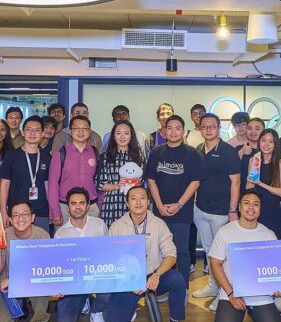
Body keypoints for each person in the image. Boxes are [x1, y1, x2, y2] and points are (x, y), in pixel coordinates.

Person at [105, 186, 191, 322]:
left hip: (154, 278)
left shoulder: (159, 224)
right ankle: (129, 308)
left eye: (142, 197)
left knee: (177, 279)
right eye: (133, 198)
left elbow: (171, 255)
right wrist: (130, 282)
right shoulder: (116, 227)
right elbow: (111, 261)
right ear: (127, 204)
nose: (138, 202)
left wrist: (157, 274)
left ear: (149, 201)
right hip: (128, 282)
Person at [209, 191, 281, 322]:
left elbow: (276, 267)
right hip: (233, 293)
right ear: (239, 207)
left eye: (256, 204)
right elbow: (215, 264)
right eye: (247, 203)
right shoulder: (225, 231)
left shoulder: (269, 235)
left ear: (260, 209)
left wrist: (278, 287)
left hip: (261, 295)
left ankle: (254, 313)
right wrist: (230, 293)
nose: (251, 207)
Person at [145, 114, 203, 286]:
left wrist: (178, 205)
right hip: (159, 211)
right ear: (164, 131)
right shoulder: (156, 152)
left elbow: (195, 181)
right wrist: (159, 205)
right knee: (160, 251)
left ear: (183, 131)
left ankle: (182, 287)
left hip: (182, 211)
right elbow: (151, 180)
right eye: (170, 128)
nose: (173, 132)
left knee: (181, 251)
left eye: (178, 128)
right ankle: (162, 286)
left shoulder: (192, 153)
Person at [190, 113, 241, 301]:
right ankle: (213, 285)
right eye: (204, 126)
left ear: (219, 128)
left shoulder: (229, 151)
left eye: (212, 126)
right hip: (201, 209)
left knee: (223, 254)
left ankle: (224, 292)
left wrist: (233, 210)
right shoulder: (197, 150)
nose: (208, 129)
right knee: (209, 250)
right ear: (200, 129)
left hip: (222, 212)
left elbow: (235, 183)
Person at [0, 201, 52, 322]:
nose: (21, 219)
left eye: (25, 214)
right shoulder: (4, 234)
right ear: (10, 220)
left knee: (40, 284)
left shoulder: (42, 235)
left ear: (33, 217)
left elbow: (44, 268)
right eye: (16, 215)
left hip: (32, 283)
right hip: (7, 289)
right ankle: (19, 307)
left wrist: (14, 279)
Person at [54, 188, 109, 322]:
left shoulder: (100, 225)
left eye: (81, 203)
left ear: (88, 205)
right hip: (73, 284)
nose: (78, 207)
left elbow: (109, 254)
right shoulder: (60, 234)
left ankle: (96, 310)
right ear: (68, 207)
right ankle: (84, 300)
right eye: (73, 203)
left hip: (97, 277)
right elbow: (58, 265)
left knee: (110, 281)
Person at [0, 116, 52, 232]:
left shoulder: (47, 157)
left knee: (41, 247)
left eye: (37, 130)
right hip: (17, 213)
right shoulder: (11, 156)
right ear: (23, 132)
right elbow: (4, 185)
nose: (33, 133)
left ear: (42, 133)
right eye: (29, 129)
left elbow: (48, 185)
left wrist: (52, 209)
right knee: (16, 247)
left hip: (41, 211)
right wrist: (3, 212)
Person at [48, 115, 101, 226]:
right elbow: (52, 184)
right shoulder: (60, 153)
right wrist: (55, 211)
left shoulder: (95, 153)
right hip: (66, 208)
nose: (80, 131)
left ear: (89, 131)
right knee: (65, 243)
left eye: (85, 128)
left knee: (91, 242)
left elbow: (99, 181)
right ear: (70, 131)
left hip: (91, 207)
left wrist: (99, 205)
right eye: (76, 128)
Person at [95, 119, 145, 228]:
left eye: (126, 133)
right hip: (111, 205)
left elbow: (142, 183)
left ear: (131, 136)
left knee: (132, 239)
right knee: (111, 240)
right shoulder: (105, 157)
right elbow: (100, 184)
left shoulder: (138, 158)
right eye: (118, 133)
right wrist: (117, 186)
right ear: (113, 136)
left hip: (133, 205)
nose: (122, 137)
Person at [242, 128, 281, 238]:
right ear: (259, 142)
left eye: (271, 141)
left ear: (275, 145)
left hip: (273, 210)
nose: (266, 144)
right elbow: (249, 188)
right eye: (263, 140)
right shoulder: (254, 160)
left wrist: (260, 183)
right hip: (255, 209)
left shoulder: (280, 164)